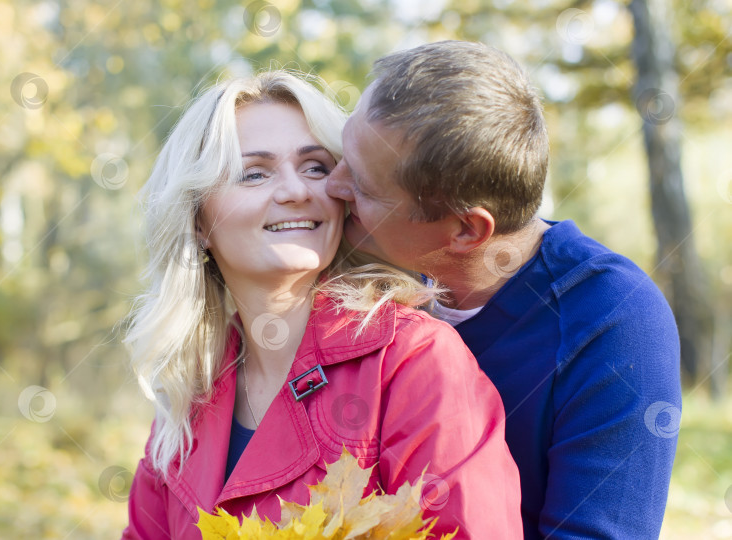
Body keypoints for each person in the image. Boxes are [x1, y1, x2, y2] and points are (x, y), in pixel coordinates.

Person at [120, 70, 521, 539]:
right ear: (197, 221)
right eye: (254, 173)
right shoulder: (191, 391)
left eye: (315, 166)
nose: (298, 191)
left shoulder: (413, 358)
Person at [326, 41, 682, 539]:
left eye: (363, 187)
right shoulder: (363, 279)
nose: (331, 186)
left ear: (468, 232)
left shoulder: (613, 322)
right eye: (342, 157)